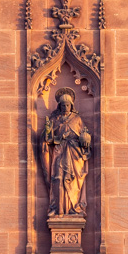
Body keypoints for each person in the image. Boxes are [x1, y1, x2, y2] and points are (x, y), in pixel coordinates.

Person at [40, 87, 91, 217]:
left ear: (71, 105)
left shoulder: (77, 119)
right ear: (59, 106)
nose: (65, 107)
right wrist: (48, 132)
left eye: (68, 104)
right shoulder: (54, 119)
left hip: (74, 154)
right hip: (59, 153)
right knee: (58, 179)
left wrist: (85, 140)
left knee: (73, 180)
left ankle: (74, 207)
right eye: (63, 105)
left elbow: (85, 137)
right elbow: (48, 139)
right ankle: (58, 207)